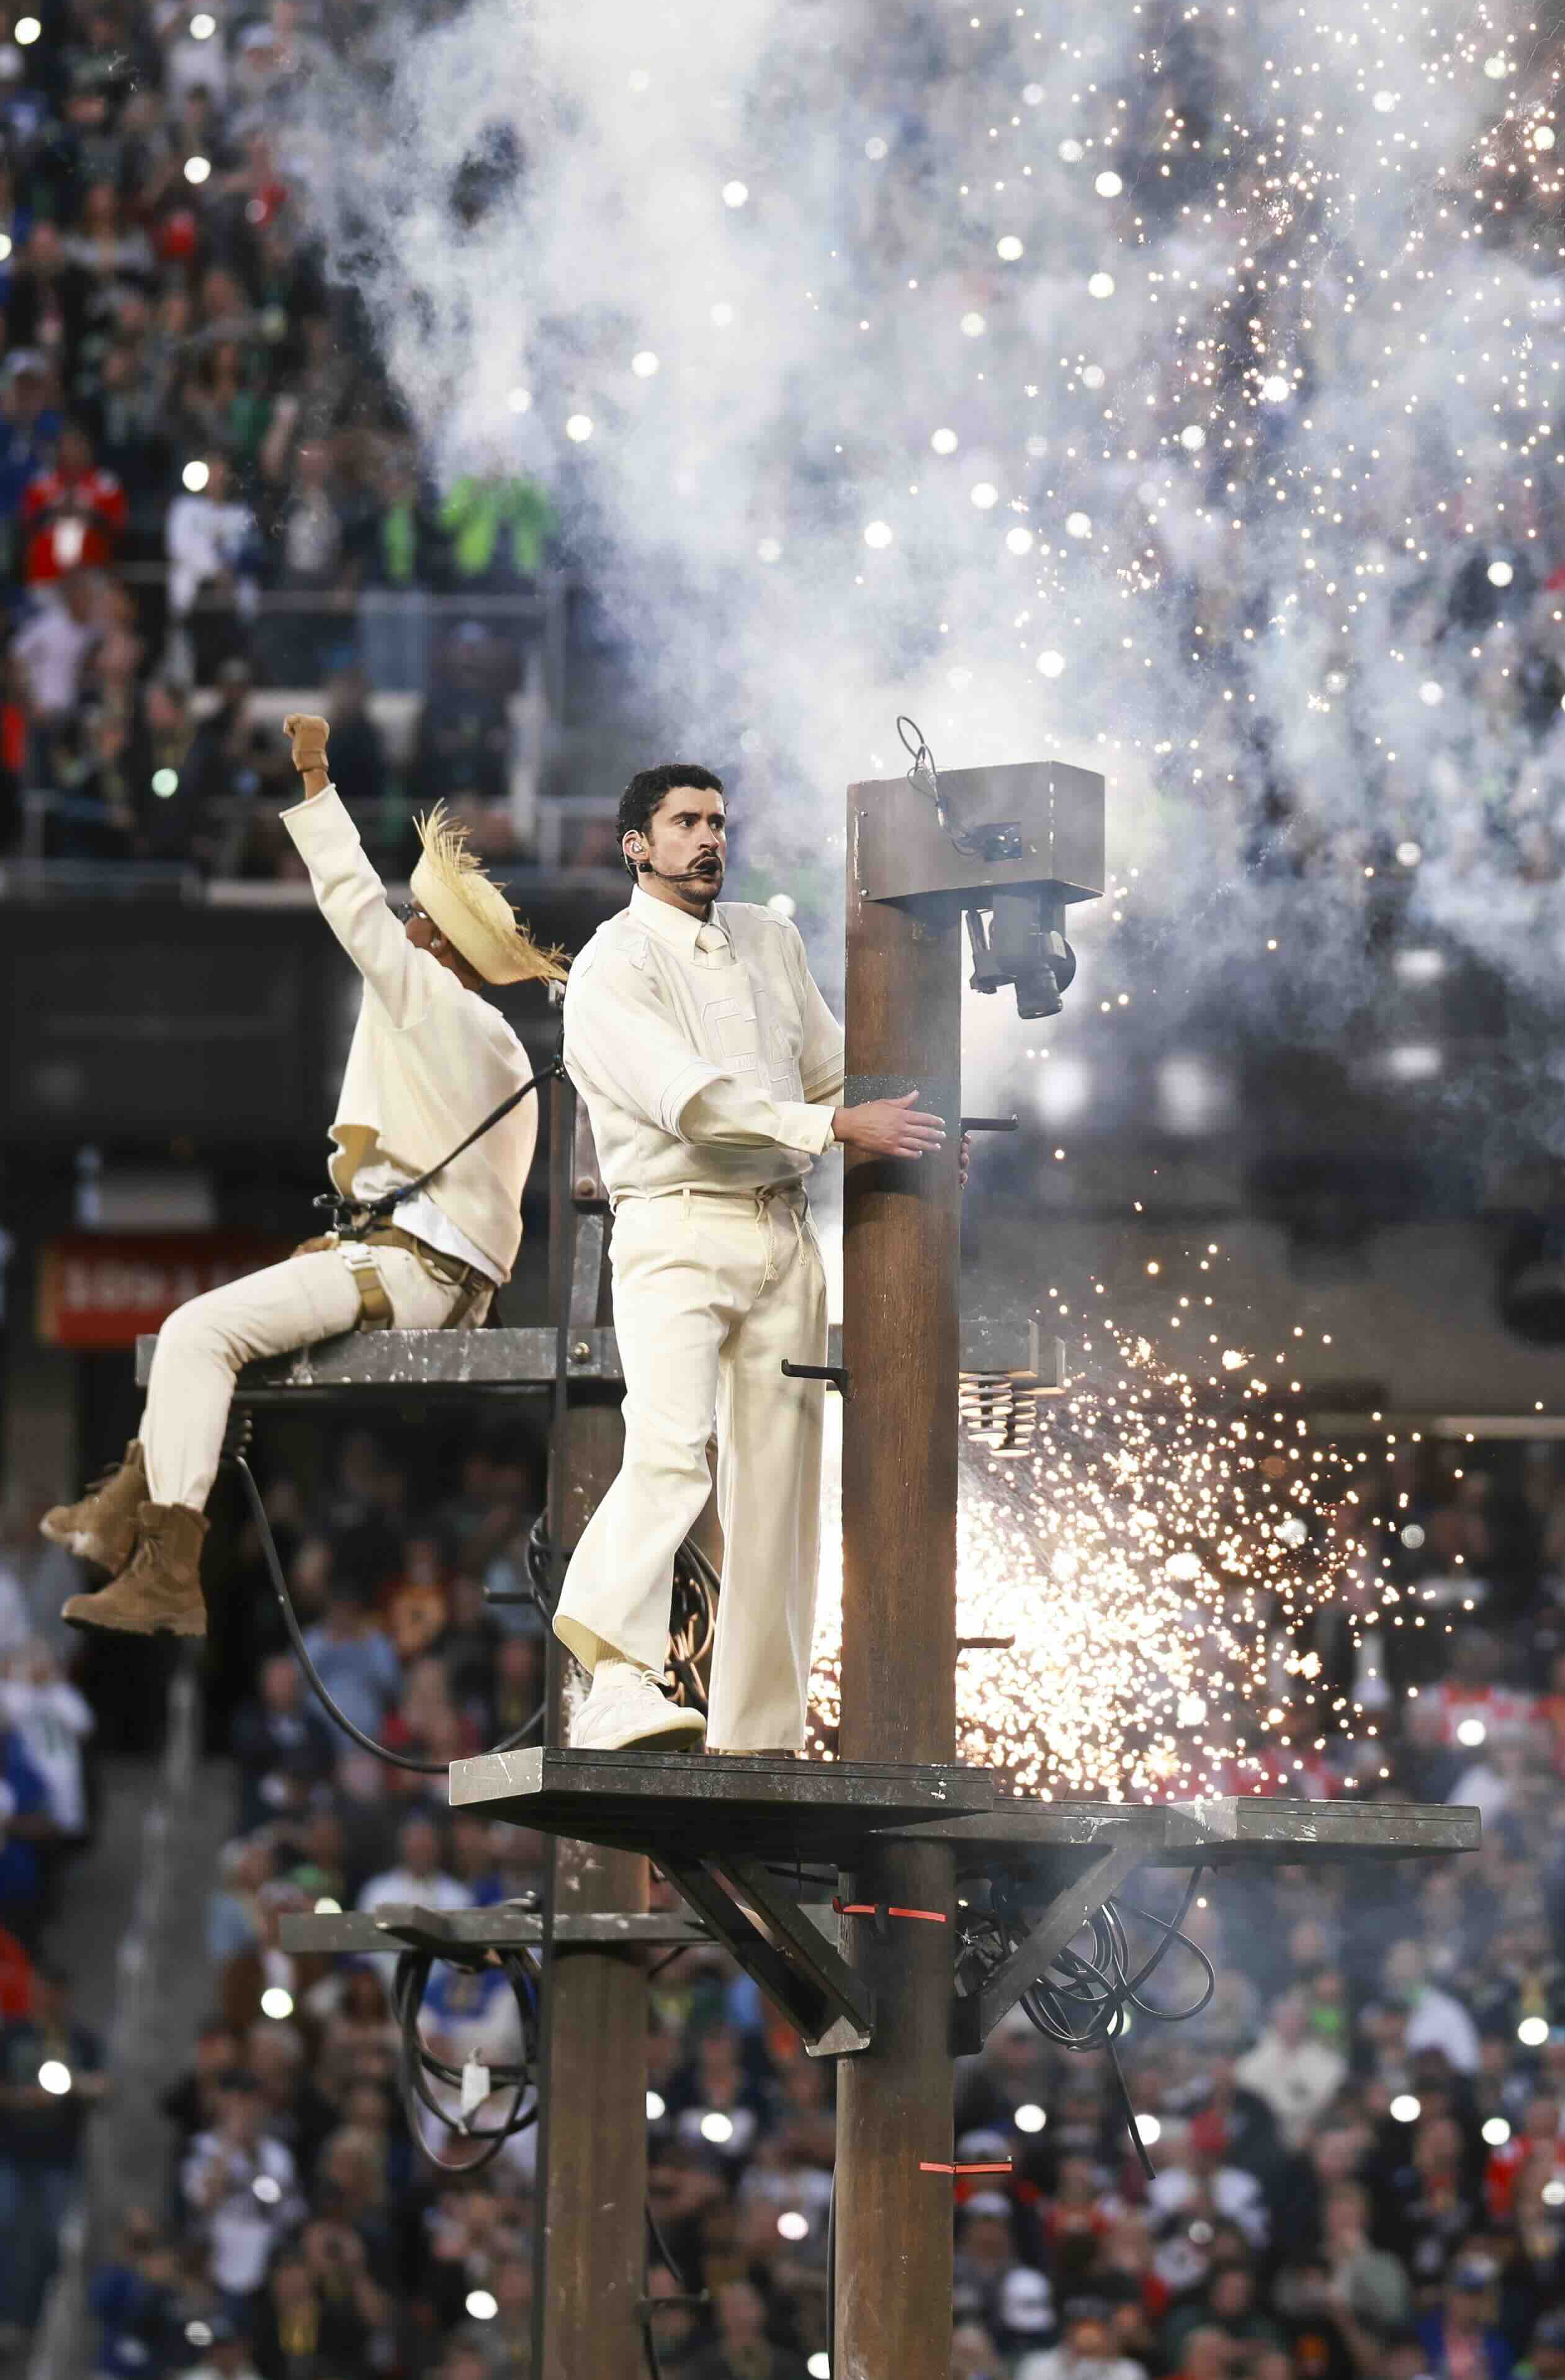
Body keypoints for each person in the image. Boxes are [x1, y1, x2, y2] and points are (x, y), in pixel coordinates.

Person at [47, 714, 561, 1632]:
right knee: (214, 1344)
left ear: (437, 944)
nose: (402, 928)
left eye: (416, 921)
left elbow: (351, 904)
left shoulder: (433, 1000)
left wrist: (317, 783)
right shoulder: (497, 1042)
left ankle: (166, 1573)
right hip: (428, 1273)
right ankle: (119, 1510)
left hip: (407, 1270)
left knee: (193, 1334)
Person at [549, 763, 950, 1752]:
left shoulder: (770, 938)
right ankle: (610, 1679)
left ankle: (757, 1732)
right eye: (684, 821)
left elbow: (829, 1063)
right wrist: (841, 1125)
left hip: (781, 1228)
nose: (709, 838)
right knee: (673, 1448)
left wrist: (916, 1118)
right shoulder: (612, 965)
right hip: (677, 1228)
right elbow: (691, 1101)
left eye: (719, 821)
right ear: (635, 843)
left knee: (780, 1487)